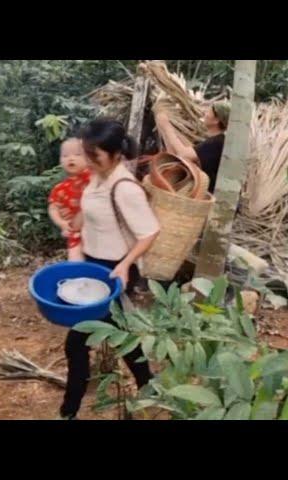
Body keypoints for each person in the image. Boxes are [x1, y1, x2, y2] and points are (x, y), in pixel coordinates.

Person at [60, 118, 160, 420]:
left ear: (115, 154)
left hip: (114, 271)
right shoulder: (96, 177)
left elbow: (150, 232)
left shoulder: (125, 188)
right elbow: (91, 213)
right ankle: (149, 385)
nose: (87, 161)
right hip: (92, 266)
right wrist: (74, 224)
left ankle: (69, 410)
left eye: (95, 156)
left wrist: (126, 265)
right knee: (123, 338)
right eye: (86, 153)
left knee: (76, 343)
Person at [154, 101, 230, 194]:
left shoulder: (217, 142)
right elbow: (175, 156)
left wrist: (167, 127)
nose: (204, 113)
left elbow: (183, 154)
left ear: (216, 120)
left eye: (208, 111)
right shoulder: (210, 140)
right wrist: (164, 128)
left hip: (204, 195)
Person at [48, 136, 91, 261]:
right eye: (65, 156)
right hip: (75, 233)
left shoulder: (92, 177)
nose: (71, 158)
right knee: (75, 262)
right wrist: (61, 223)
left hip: (96, 230)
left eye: (78, 154)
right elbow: (53, 208)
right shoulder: (59, 188)